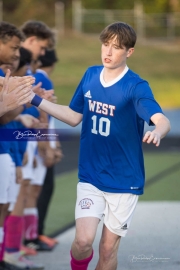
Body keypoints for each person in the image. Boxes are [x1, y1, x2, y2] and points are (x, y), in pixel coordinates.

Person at [30, 22, 171, 270]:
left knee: (107, 250)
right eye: (105, 45)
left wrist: (157, 132)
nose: (107, 52)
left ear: (129, 52)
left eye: (116, 48)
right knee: (83, 241)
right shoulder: (90, 75)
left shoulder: (136, 86)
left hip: (124, 179)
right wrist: (35, 99)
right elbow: (74, 116)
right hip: (91, 175)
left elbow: (161, 120)